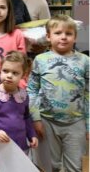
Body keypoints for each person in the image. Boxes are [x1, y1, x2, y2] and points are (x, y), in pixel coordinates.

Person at [27, 15, 88, 172]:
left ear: (75, 37)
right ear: (48, 36)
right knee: (49, 166)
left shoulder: (85, 61)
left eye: (68, 33)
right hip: (47, 122)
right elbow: (32, 91)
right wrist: (36, 119)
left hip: (76, 123)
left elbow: (88, 94)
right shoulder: (40, 60)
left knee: (74, 167)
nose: (63, 37)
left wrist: (88, 125)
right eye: (58, 33)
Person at [0, 51, 38, 172]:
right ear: (0, 71)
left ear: (23, 75)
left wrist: (32, 135)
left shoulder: (23, 95)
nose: (9, 75)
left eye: (15, 73)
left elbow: (26, 117)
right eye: (6, 71)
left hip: (18, 150)